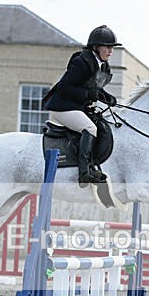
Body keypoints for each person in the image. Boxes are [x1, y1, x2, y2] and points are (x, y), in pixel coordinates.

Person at [43, 25, 120, 185]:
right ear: (96, 47)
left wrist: (108, 98)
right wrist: (86, 95)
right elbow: (64, 86)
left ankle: (93, 166)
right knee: (90, 128)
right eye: (107, 47)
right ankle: (84, 173)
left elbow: (95, 89)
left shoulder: (102, 65)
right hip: (62, 106)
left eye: (112, 47)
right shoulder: (82, 62)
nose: (111, 51)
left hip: (76, 106)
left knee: (102, 126)